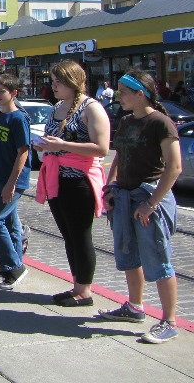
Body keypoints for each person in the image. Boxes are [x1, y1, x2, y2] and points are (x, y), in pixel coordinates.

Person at [98, 70, 181, 344]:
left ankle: (169, 321)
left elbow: (174, 167)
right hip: (125, 197)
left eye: (122, 92)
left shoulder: (161, 123)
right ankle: (135, 307)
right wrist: (110, 187)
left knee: (158, 260)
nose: (117, 96)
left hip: (149, 197)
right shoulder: (125, 121)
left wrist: (151, 204)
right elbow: (119, 156)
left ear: (139, 93)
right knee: (129, 255)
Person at [34, 59, 109, 307]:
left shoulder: (91, 108)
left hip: (80, 182)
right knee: (68, 235)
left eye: (58, 82)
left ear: (72, 82)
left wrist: (61, 146)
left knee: (80, 235)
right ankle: (77, 284)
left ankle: (84, 291)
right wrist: (45, 146)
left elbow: (102, 148)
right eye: (53, 81)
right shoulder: (58, 106)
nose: (53, 86)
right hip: (57, 179)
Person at [0, 74, 31, 290]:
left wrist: (11, 184)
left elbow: (23, 153)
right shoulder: (0, 116)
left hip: (14, 181)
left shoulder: (18, 119)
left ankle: (13, 266)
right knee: (10, 223)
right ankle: (10, 268)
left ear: (14, 93)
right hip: (0, 177)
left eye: (2, 92)